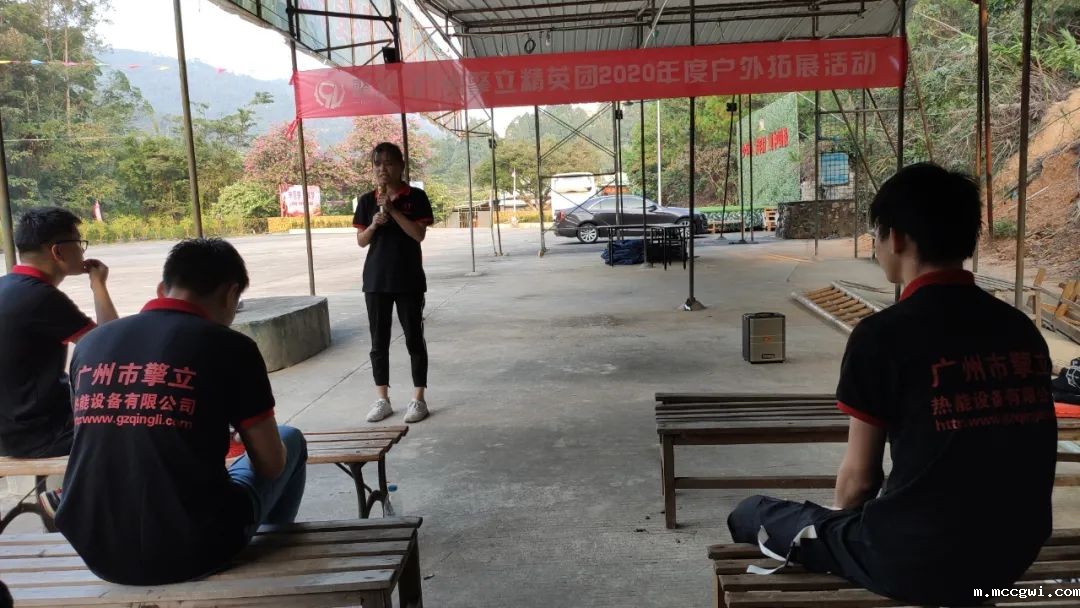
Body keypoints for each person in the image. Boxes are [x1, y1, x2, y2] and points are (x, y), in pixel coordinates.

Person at [727, 163, 1057, 606]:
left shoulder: (883, 336)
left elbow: (860, 482)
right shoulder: (1019, 329)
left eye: (876, 234)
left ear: (896, 238)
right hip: (1012, 555)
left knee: (750, 513)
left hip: (916, 560)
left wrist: (838, 530)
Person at [54, 238, 307, 586]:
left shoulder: (91, 344)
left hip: (96, 549)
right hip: (193, 549)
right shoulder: (231, 346)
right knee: (289, 439)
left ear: (162, 288)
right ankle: (270, 553)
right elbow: (270, 465)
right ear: (231, 293)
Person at [0, 207, 118, 460]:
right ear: (58, 251)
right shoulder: (40, 297)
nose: (82, 251)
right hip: (38, 436)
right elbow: (110, 347)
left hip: (9, 431)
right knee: (133, 420)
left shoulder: (6, 286)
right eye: (78, 243)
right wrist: (98, 284)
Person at [353, 142, 434, 424]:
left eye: (388, 163)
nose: (382, 169)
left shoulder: (416, 197)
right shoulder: (366, 201)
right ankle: (382, 399)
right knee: (379, 342)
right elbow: (361, 241)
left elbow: (418, 235)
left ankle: (418, 399)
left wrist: (394, 211)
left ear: (401, 166)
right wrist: (374, 224)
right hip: (376, 280)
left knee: (414, 339)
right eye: (377, 164)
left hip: (409, 279)